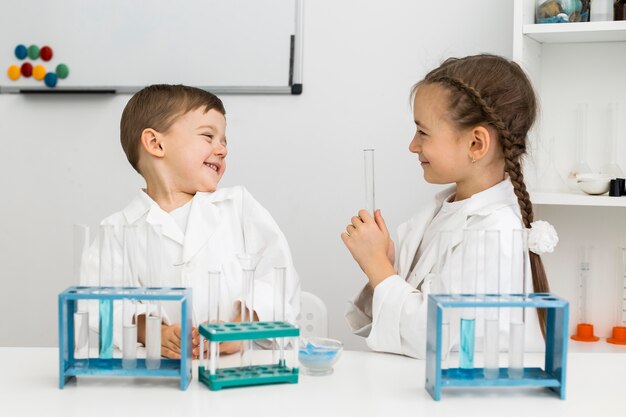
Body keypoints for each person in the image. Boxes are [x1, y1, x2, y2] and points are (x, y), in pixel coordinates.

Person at [341, 54, 558, 359]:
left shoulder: (495, 232)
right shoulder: (444, 209)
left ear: (476, 144)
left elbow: (437, 338)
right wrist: (388, 263)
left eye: (423, 132)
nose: (412, 145)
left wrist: (377, 267)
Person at [81, 84, 300, 359]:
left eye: (224, 141)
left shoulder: (239, 207)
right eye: (209, 136)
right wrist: (153, 333)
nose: (222, 150)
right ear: (155, 143)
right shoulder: (116, 231)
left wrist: (239, 328)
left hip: (238, 371)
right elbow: (99, 305)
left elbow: (278, 276)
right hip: (161, 383)